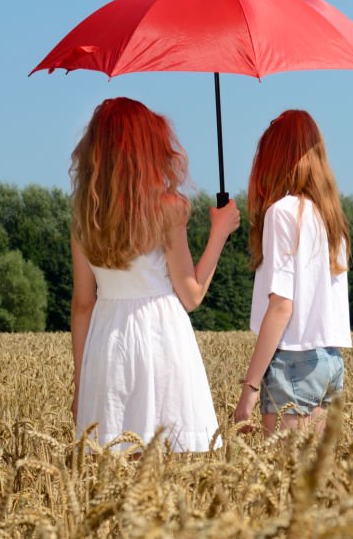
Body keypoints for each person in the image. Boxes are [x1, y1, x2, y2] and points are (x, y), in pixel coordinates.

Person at [69, 97, 240, 453]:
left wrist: (80, 384)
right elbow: (191, 295)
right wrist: (219, 233)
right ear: (148, 147)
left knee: (115, 461)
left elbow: (83, 304)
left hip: (106, 343)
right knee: (171, 462)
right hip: (161, 338)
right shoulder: (167, 208)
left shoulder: (85, 215)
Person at [234, 109, 351, 435]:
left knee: (287, 480)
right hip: (329, 361)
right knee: (315, 478)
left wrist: (250, 390)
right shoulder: (331, 219)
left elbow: (282, 305)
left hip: (294, 362)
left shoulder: (282, 213)